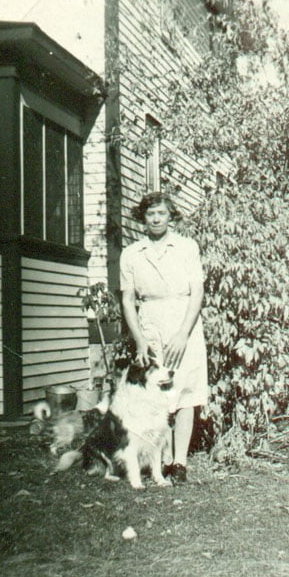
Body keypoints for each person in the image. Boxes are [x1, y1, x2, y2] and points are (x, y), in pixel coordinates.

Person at [119, 192, 208, 483]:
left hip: (184, 320)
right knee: (158, 393)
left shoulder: (186, 247)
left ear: (171, 216)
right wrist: (140, 340)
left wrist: (184, 332)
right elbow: (128, 299)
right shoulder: (132, 253)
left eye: (161, 213)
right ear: (143, 218)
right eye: (150, 214)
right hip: (151, 323)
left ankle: (179, 463)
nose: (156, 219)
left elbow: (197, 291)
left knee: (185, 392)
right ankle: (161, 461)